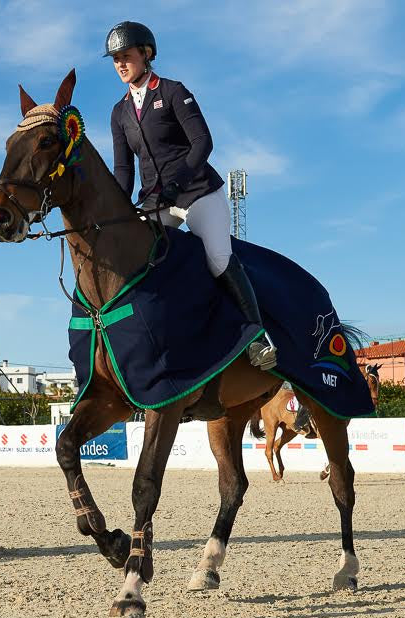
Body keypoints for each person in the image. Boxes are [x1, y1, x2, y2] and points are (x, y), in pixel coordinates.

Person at [105, 21, 277, 370]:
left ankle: (258, 339)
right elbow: (123, 170)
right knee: (141, 265)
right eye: (115, 59)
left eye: (127, 56)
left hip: (198, 193)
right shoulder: (119, 112)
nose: (121, 64)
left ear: (146, 54)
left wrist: (177, 183)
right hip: (156, 202)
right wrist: (118, 213)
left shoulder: (172, 91)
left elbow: (203, 142)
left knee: (217, 257)